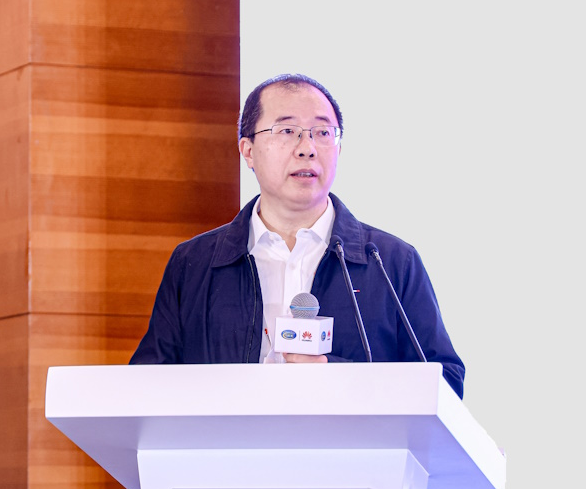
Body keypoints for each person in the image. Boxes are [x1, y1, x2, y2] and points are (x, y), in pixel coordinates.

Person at [129, 74, 465, 398]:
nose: (307, 148)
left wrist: (335, 377)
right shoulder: (195, 263)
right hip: (230, 439)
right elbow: (148, 386)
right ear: (248, 151)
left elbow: (445, 383)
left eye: (323, 132)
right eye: (287, 131)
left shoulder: (389, 262)